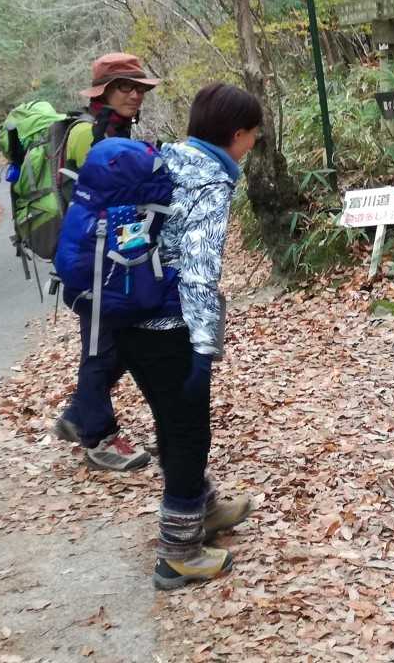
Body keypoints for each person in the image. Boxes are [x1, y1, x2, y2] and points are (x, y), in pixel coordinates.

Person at [121, 82, 261, 590]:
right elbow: (199, 272)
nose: (253, 144)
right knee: (188, 433)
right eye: (253, 135)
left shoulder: (164, 159)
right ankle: (178, 554)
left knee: (171, 420)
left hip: (127, 315)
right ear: (237, 134)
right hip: (168, 325)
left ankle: (202, 508)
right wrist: (204, 347)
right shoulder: (210, 180)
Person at [52, 52, 160, 472]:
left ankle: (78, 414)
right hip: (91, 260)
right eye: (125, 87)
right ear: (103, 92)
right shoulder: (89, 133)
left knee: (118, 344)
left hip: (112, 257)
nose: (135, 95)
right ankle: (97, 437)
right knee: (101, 347)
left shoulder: (117, 129)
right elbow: (105, 198)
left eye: (139, 88)